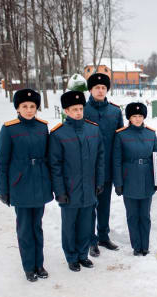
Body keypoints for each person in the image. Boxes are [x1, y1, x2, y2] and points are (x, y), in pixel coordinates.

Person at [0, 89, 53, 282]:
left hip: (40, 183)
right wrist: (3, 189)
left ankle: (39, 264)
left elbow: (48, 156)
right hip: (20, 185)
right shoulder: (9, 129)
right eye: (24, 106)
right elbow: (2, 162)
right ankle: (29, 266)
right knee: (25, 229)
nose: (29, 110)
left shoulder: (42, 127)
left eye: (32, 106)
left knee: (37, 226)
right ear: (18, 108)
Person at [49, 90, 105, 272]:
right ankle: (71, 257)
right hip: (70, 189)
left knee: (86, 224)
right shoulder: (58, 134)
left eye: (80, 108)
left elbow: (100, 159)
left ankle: (83, 255)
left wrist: (99, 182)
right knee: (69, 226)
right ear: (66, 111)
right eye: (74, 109)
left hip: (89, 188)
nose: (78, 112)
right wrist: (60, 192)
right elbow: (55, 165)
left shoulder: (93, 129)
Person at [113, 102, 157, 256]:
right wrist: (118, 183)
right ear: (129, 117)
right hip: (129, 179)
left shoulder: (151, 134)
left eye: (140, 116)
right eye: (134, 116)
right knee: (133, 216)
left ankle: (145, 246)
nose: (137, 119)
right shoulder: (121, 134)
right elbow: (116, 161)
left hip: (147, 178)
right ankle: (136, 246)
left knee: (145, 216)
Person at [84, 73, 124, 257]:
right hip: (87, 168)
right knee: (90, 204)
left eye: (103, 88)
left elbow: (120, 139)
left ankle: (103, 235)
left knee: (105, 204)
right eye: (96, 88)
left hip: (107, 167)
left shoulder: (115, 112)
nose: (100, 90)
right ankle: (91, 239)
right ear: (90, 90)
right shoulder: (81, 109)